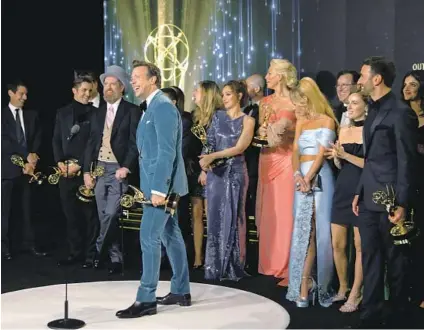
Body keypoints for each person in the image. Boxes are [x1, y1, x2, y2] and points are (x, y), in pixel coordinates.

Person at [116, 60, 190, 318]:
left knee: (149, 236)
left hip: (162, 186)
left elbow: (167, 152)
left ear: (153, 80)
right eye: (132, 77)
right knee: (170, 234)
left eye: (137, 77)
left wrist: (159, 189)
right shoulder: (151, 108)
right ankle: (181, 289)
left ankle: (146, 299)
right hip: (156, 184)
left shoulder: (163, 107)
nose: (133, 81)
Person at [352, 56, 418, 328]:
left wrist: (402, 202)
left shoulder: (401, 112)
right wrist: (359, 190)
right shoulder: (373, 110)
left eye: (362, 75)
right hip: (368, 197)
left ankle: (399, 317)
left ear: (376, 79)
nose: (359, 81)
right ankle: (371, 312)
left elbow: (406, 161)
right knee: (370, 256)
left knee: (396, 263)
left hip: (391, 200)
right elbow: (370, 158)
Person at [83, 65, 141, 274]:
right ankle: (115, 258)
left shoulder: (132, 111)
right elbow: (91, 142)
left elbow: (135, 143)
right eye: (105, 84)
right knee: (103, 215)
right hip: (99, 168)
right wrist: (86, 171)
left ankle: (98, 251)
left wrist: (126, 166)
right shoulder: (97, 112)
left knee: (111, 213)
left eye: (112, 84)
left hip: (118, 169)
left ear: (122, 87)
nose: (107, 88)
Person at [286, 77, 337, 308]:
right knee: (302, 231)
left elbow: (321, 153)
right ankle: (303, 283)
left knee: (320, 232)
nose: (296, 107)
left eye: (298, 102)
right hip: (301, 180)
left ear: (308, 99)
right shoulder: (301, 122)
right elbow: (295, 150)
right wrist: (297, 174)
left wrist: (308, 177)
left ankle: (320, 284)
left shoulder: (327, 121)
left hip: (320, 178)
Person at [199, 80, 255, 281]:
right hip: (216, 174)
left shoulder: (248, 120)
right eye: (223, 95)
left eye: (228, 94)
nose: (224, 98)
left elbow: (239, 148)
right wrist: (205, 164)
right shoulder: (217, 116)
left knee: (233, 217)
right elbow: (210, 142)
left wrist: (213, 157)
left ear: (239, 96)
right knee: (214, 217)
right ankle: (213, 266)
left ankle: (232, 265)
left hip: (236, 173)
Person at [255, 59, 297, 284]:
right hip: (267, 157)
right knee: (269, 212)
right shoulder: (265, 102)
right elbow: (262, 130)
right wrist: (262, 130)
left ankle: (289, 265)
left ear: (280, 76)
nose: (267, 76)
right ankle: (269, 262)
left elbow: (302, 130)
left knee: (285, 212)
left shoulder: (297, 100)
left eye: (270, 73)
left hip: (288, 159)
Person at [325, 92, 367, 313]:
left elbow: (369, 164)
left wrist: (345, 155)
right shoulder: (343, 129)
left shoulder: (370, 130)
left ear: (366, 107)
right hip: (342, 187)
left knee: (360, 246)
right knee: (338, 244)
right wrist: (337, 157)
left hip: (362, 191)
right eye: (348, 103)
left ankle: (356, 293)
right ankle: (343, 287)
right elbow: (342, 166)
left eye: (355, 103)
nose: (349, 107)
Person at [52, 72, 99, 266]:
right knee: (70, 215)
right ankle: (74, 252)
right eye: (83, 90)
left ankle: (90, 255)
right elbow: (56, 139)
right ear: (74, 91)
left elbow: (94, 143)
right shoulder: (62, 113)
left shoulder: (96, 114)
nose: (87, 94)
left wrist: (80, 164)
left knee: (89, 215)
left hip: (84, 171)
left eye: (90, 90)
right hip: (65, 172)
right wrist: (59, 163)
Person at [1, 80, 46, 260]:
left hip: (29, 171)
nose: (25, 98)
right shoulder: (1, 116)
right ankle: (4, 248)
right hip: (7, 170)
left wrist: (32, 159)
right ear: (11, 93)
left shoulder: (32, 115)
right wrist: (26, 156)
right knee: (4, 212)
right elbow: (5, 142)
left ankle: (30, 245)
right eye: (21, 94)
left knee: (28, 210)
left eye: (26, 94)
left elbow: (37, 137)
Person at [188, 81, 222, 268]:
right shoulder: (194, 117)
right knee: (196, 214)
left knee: (211, 215)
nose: (194, 93)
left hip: (213, 171)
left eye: (197, 90)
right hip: (195, 172)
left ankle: (213, 256)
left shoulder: (219, 118)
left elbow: (217, 146)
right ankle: (198, 257)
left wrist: (205, 170)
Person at [400, 70, 424, 309]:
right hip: (405, 183)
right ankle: (408, 289)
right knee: (406, 240)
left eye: (413, 84)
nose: (407, 88)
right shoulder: (401, 116)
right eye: (405, 84)